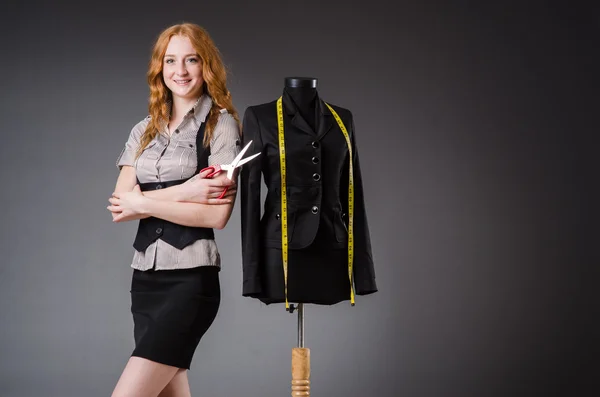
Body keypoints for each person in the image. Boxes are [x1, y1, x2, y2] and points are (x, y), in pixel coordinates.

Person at [106, 22, 240, 397]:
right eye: (171, 61)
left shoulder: (222, 125)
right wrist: (189, 189)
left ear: (206, 65)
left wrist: (143, 201)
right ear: (159, 68)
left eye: (191, 60)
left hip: (190, 282)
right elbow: (120, 205)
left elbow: (217, 216)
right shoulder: (143, 130)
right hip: (145, 282)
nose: (180, 71)